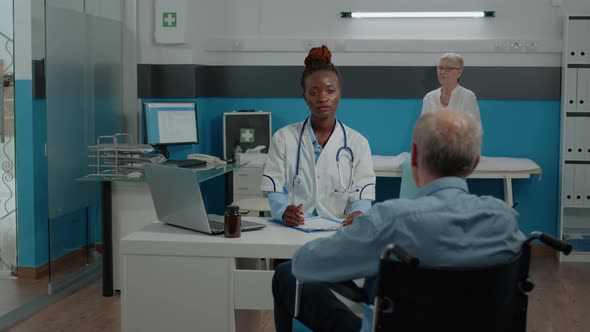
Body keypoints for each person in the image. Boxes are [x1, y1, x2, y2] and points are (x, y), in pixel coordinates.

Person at [272, 109, 526, 332]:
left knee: (286, 274)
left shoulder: (391, 220)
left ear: (414, 158)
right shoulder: (504, 221)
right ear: (474, 163)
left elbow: (305, 265)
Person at [261, 45, 376, 226]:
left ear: (340, 94)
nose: (323, 98)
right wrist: (284, 212)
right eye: (314, 92)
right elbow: (274, 188)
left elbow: (362, 194)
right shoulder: (283, 138)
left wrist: (358, 213)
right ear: (305, 97)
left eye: (330, 91)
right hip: (293, 229)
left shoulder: (358, 143)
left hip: (338, 229)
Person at [400, 53, 481, 199]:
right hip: (431, 149)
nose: (442, 72)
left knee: (446, 167)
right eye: (440, 68)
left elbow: (473, 131)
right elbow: (422, 129)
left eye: (448, 68)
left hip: (458, 149)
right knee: (409, 165)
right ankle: (412, 208)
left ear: (460, 72)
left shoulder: (468, 97)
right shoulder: (430, 97)